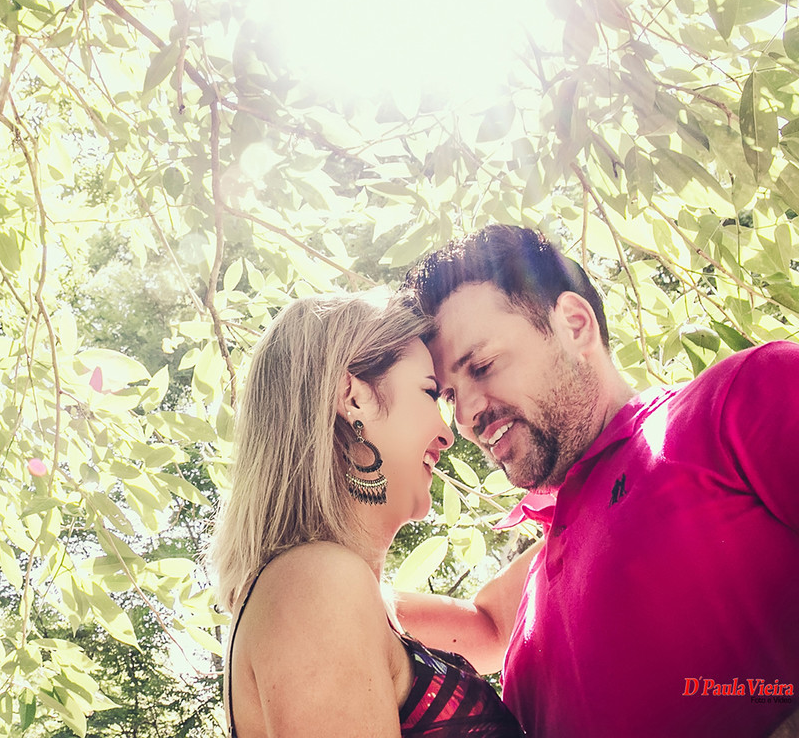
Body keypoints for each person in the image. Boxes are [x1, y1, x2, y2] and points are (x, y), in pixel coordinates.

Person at [396, 224, 799, 738]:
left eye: (482, 365)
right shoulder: (533, 583)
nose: (467, 414)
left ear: (575, 325)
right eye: (449, 397)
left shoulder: (738, 399)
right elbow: (483, 626)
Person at [207, 290, 524, 737]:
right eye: (430, 393)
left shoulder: (359, 600)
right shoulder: (316, 586)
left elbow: (492, 628)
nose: (446, 434)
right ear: (352, 398)